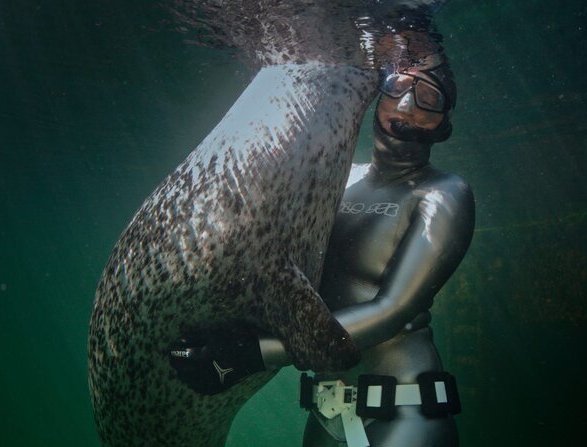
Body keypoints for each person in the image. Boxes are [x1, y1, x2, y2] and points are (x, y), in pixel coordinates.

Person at [170, 57, 475, 447]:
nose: (405, 105)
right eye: (396, 87)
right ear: (376, 97)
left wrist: (251, 355)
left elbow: (392, 312)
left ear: (443, 125)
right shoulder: (338, 180)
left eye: (428, 98)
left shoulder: (445, 193)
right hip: (325, 413)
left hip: (405, 412)